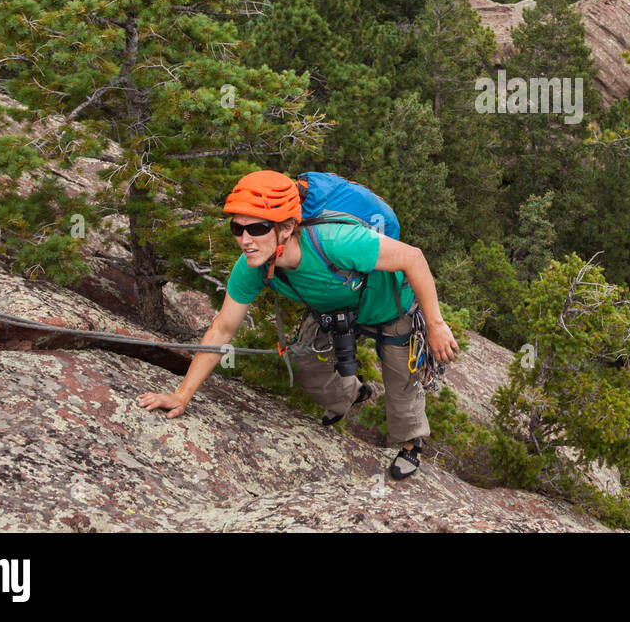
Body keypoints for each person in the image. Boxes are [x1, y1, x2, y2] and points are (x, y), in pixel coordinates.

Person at [138, 170, 459, 480]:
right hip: (333, 309)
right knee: (305, 361)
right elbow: (222, 329)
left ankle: (410, 443)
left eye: (258, 228)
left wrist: (435, 324)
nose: (245, 241)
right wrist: (182, 396)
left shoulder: (336, 241)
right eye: (238, 229)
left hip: (390, 307)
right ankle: (351, 395)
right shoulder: (253, 266)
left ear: (288, 227)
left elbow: (413, 258)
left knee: (401, 378)